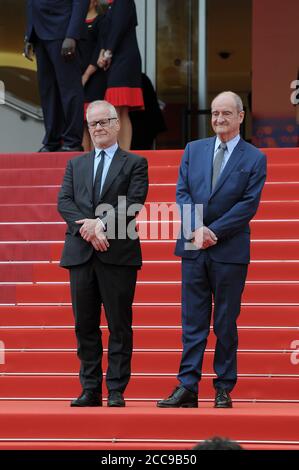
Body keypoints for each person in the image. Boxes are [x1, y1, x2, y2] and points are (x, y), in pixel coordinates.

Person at [157, 91, 267, 409]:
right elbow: (183, 191)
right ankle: (187, 386)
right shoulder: (194, 150)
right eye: (215, 114)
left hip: (229, 249)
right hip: (193, 244)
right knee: (192, 320)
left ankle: (223, 387)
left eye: (226, 114)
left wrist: (214, 231)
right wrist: (197, 229)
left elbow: (248, 205)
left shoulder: (254, 158)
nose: (219, 119)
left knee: (225, 321)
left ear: (240, 117)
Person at [57, 100, 148, 407]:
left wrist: (101, 225)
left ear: (116, 124)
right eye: (92, 124)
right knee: (84, 325)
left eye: (103, 122)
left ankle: (117, 389)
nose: (97, 128)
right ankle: (91, 388)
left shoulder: (135, 163)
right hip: (81, 253)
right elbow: (65, 202)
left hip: (117, 253)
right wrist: (88, 229)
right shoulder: (76, 164)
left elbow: (134, 202)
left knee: (119, 324)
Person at [24, 0, 89, 152]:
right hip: (39, 32)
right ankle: (52, 141)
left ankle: (72, 141)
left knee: (69, 89)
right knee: (48, 91)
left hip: (63, 31)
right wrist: (29, 34)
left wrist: (72, 35)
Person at [97, 0, 144, 151]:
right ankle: (122, 151)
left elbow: (118, 29)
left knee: (118, 109)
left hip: (123, 59)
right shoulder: (112, 5)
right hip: (119, 58)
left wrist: (107, 52)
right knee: (119, 110)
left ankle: (122, 152)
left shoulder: (123, 2)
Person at [80, 0, 107, 151]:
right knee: (82, 122)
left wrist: (86, 75)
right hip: (78, 77)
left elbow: (100, 49)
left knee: (95, 121)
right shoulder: (76, 23)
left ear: (95, 2)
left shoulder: (101, 20)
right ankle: (86, 158)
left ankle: (97, 158)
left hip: (95, 77)